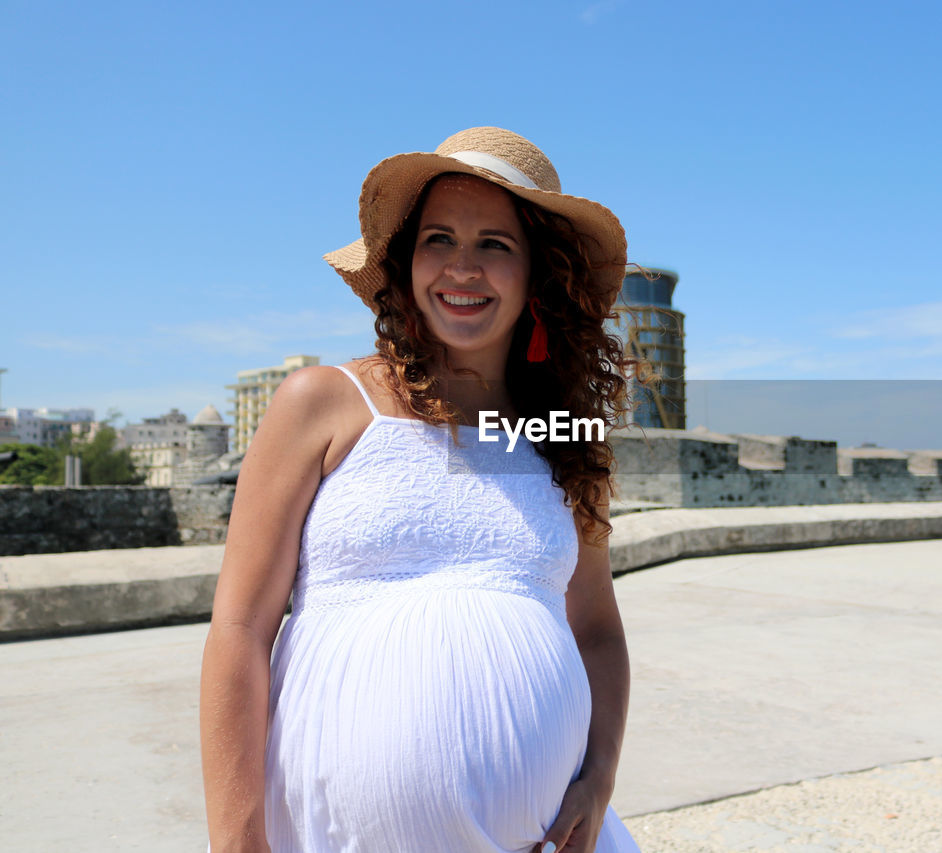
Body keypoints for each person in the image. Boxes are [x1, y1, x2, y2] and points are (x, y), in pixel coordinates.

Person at [200, 127, 640, 853]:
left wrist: (599, 778)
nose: (462, 269)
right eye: (440, 238)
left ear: (538, 273)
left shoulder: (563, 439)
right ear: (405, 263)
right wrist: (237, 841)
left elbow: (597, 629)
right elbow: (239, 631)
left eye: (495, 244)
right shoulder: (324, 402)